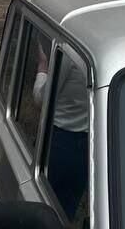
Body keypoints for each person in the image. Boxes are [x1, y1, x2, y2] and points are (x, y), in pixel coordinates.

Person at [33, 46, 88, 221]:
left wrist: (42, 70)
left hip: (58, 141)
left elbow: (42, 99)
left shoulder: (70, 52)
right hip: (87, 145)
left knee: (43, 202)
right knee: (66, 210)